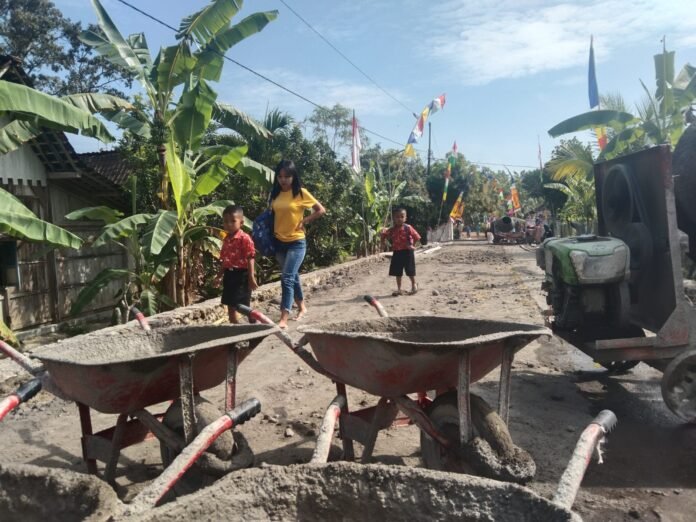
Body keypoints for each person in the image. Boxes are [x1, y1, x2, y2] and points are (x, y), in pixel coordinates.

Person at [271, 159, 325, 329]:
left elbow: (321, 210)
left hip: (296, 242)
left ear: (293, 176)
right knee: (292, 277)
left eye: (287, 176)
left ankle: (283, 318)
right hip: (279, 242)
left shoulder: (301, 193)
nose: (283, 180)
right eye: (280, 176)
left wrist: (305, 220)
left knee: (286, 278)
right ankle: (302, 307)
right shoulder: (275, 193)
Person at [219, 205, 258, 323]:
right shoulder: (226, 239)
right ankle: (234, 326)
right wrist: (219, 276)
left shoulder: (244, 238)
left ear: (241, 222)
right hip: (229, 274)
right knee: (230, 303)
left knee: (241, 304)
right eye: (226, 221)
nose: (229, 224)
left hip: (242, 275)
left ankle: (254, 319)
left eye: (233, 221)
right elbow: (224, 259)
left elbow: (250, 257)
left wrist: (251, 277)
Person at [380, 208, 421, 296]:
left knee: (410, 270)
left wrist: (412, 245)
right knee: (397, 272)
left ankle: (414, 285)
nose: (399, 219)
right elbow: (383, 235)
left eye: (402, 217)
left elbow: (417, 237)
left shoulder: (408, 227)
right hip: (397, 252)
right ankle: (399, 289)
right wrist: (382, 239)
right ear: (393, 218)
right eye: (397, 217)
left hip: (407, 252)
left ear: (405, 218)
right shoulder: (392, 230)